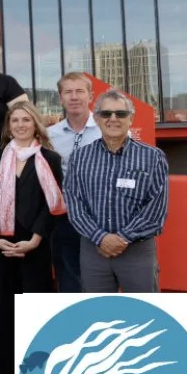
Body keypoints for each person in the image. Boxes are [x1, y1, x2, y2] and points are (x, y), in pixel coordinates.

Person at [0, 102, 64, 374]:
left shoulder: (49, 159)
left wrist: (35, 239)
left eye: (25, 120)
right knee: (4, 316)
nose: (20, 125)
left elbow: (52, 205)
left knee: (34, 315)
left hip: (35, 247)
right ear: (8, 125)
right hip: (2, 245)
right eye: (14, 120)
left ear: (35, 123)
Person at [64, 90, 169, 294]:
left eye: (120, 114)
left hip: (136, 250)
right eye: (106, 114)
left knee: (144, 315)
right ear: (96, 119)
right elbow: (74, 204)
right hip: (94, 250)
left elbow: (156, 209)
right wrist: (100, 237)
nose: (113, 119)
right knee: (99, 315)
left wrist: (122, 238)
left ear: (131, 118)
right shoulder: (79, 158)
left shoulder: (153, 157)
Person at [46, 72, 102, 293]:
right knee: (67, 275)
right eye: (68, 92)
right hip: (64, 218)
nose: (74, 97)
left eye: (80, 91)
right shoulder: (49, 135)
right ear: (60, 98)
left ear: (91, 96)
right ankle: (73, 325)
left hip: (98, 216)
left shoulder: (106, 130)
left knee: (99, 277)